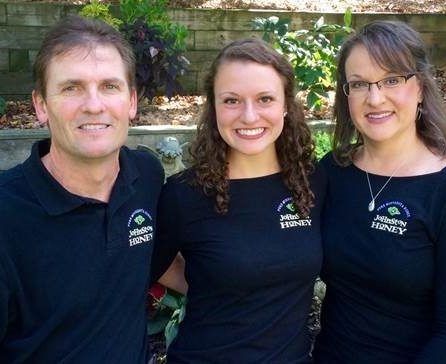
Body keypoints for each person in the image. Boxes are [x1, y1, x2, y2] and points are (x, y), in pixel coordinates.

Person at [0, 15, 166, 363]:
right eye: (71, 87)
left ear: (132, 102)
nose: (93, 104)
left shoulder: (146, 176)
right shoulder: (7, 214)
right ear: (41, 105)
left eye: (109, 86)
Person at [313, 20, 446, 363]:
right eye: (359, 84)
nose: (375, 98)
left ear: (420, 87)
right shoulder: (333, 171)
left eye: (392, 80)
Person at [151, 38, 326, 363]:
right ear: (213, 106)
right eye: (231, 100)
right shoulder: (185, 194)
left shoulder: (313, 182)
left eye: (265, 99)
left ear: (286, 105)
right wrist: (212, 284)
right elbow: (148, 266)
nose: (248, 115)